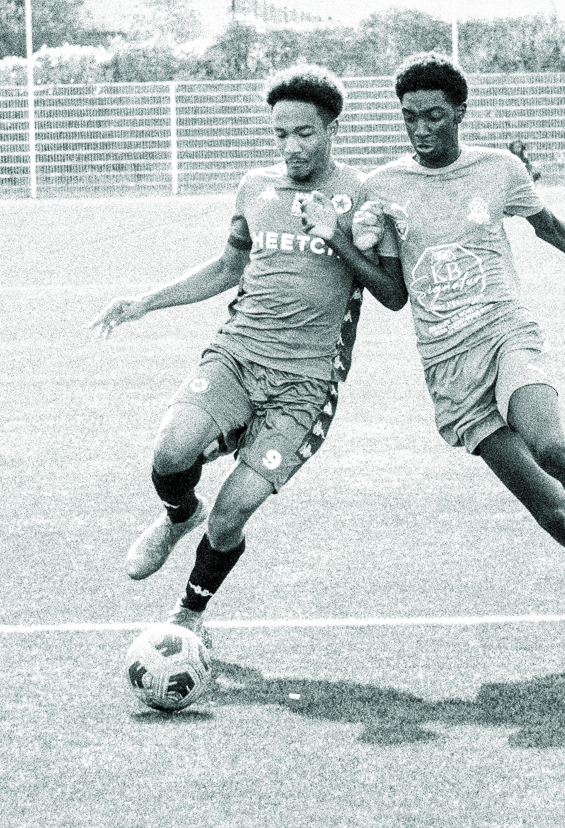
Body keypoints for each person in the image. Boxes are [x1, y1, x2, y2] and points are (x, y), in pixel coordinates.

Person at [355, 53, 565, 641]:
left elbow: (552, 229)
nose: (421, 128)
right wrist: (339, 241)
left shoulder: (499, 168)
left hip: (506, 332)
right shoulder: (382, 188)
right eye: (410, 117)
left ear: (460, 111)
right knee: (553, 513)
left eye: (434, 115)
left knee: (550, 445)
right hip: (448, 366)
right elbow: (394, 296)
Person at [92, 66, 406, 636]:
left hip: (306, 382)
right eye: (281, 134)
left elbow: (392, 295)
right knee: (171, 450)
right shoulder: (255, 187)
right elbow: (227, 268)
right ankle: (180, 515)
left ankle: (189, 613)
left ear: (332, 128)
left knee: (232, 513)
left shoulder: (363, 195)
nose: (292, 146)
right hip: (237, 354)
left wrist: (335, 233)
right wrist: (145, 302)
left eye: (304, 133)